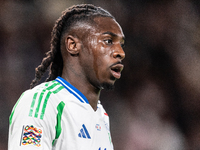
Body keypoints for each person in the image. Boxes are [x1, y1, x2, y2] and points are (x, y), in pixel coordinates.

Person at [8, 4, 125, 150]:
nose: (120, 53)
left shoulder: (101, 116)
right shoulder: (42, 102)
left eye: (121, 44)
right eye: (108, 41)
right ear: (73, 45)